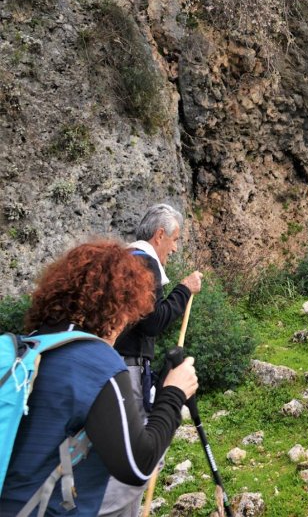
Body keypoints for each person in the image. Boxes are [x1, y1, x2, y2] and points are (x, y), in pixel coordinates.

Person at [0, 241, 198, 517]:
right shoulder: (96, 362)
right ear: (116, 307)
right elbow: (138, 465)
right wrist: (174, 393)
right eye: (128, 313)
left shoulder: (25, 348)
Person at [100, 204, 202, 517]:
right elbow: (153, 320)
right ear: (160, 235)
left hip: (111, 362)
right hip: (126, 366)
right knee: (137, 446)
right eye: (175, 239)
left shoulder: (123, 259)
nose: (174, 247)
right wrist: (184, 290)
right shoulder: (144, 262)